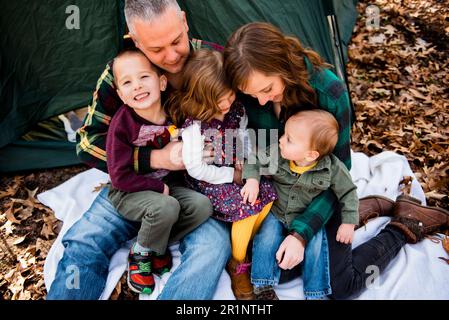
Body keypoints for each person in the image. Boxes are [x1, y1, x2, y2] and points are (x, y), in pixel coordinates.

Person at [224, 21, 449, 299]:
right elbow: (259, 153)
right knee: (275, 269)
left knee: (340, 286)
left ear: (282, 64)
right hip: (282, 196)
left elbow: (337, 175)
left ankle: (404, 225)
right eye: (251, 94)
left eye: (267, 89)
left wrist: (301, 234)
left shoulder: (330, 93)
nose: (259, 101)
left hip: (321, 192)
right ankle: (365, 209)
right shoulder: (253, 95)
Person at [47, 0, 229, 300]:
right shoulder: (124, 72)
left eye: (176, 41)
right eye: (156, 50)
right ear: (135, 41)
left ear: (184, 21)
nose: (171, 56)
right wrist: (152, 158)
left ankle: (148, 250)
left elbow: (247, 124)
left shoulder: (215, 62)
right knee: (84, 242)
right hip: (133, 182)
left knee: (212, 248)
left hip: (199, 187)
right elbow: (87, 142)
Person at [169, 48, 277, 299]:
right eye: (220, 99)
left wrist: (246, 160)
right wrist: (233, 176)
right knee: (246, 205)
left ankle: (243, 240)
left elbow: (242, 136)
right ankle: (238, 262)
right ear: (203, 97)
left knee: (267, 196)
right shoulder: (195, 125)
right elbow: (197, 169)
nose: (227, 103)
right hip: (210, 179)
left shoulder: (236, 110)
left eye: (229, 94)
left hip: (233, 167)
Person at [105, 48, 211, 295]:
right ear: (121, 94)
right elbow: (119, 175)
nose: (137, 87)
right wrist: (157, 188)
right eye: (127, 82)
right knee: (167, 206)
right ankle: (140, 255)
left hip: (165, 187)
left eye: (144, 77)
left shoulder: (173, 112)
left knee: (202, 206)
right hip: (128, 191)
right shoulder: (122, 124)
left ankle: (158, 245)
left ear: (162, 82)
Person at [241, 109, 359, 299]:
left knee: (316, 248)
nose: (280, 139)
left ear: (311, 155)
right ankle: (263, 286)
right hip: (277, 211)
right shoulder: (278, 155)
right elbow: (254, 160)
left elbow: (348, 192)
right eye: (284, 134)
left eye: (289, 139)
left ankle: (316, 292)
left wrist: (349, 221)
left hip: (306, 215)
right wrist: (252, 181)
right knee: (266, 237)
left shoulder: (333, 168)